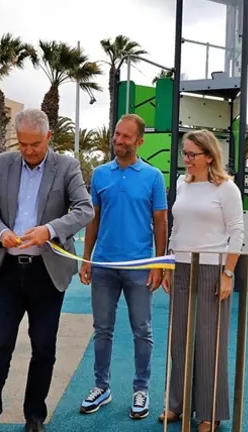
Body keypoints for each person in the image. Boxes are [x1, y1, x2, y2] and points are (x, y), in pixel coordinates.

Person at [0, 108, 95, 432]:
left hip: (47, 272)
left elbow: (85, 209)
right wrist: (0, 232)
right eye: (23, 144)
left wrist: (50, 230)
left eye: (35, 145)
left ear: (48, 138)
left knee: (44, 347)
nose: (29, 151)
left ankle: (34, 417)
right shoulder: (1, 164)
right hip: (7, 271)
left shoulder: (67, 167)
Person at [78, 113, 168, 419]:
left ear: (139, 141)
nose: (119, 140)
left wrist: (158, 264)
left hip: (140, 267)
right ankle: (101, 387)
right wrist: (87, 258)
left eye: (126, 136)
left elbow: (161, 221)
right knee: (102, 329)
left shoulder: (154, 177)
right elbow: (94, 218)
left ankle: (141, 389)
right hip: (103, 266)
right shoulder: (101, 175)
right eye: (116, 134)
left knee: (142, 330)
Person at [158, 129, 244, 432]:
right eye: (185, 153)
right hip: (180, 266)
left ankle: (210, 412)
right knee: (179, 341)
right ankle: (178, 404)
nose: (187, 159)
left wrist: (228, 273)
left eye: (192, 154)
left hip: (212, 269)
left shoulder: (226, 188)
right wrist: (169, 262)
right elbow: (177, 225)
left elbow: (237, 231)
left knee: (209, 343)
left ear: (209, 156)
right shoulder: (182, 183)